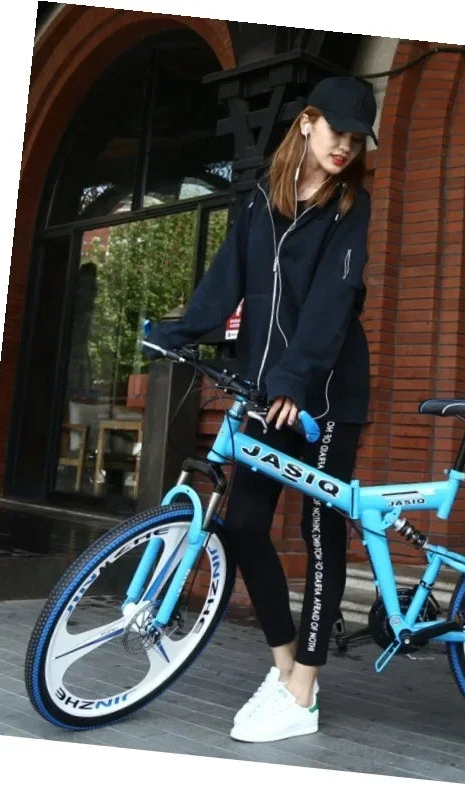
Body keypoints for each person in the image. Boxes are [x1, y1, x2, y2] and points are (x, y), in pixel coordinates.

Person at [143, 76, 376, 743]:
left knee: (319, 529)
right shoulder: (258, 199)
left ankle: (305, 687)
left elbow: (333, 303)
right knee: (244, 523)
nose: (345, 146)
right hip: (261, 392)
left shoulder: (350, 206)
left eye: (356, 138)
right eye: (336, 131)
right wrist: (182, 332)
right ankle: (286, 670)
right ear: (307, 123)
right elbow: (227, 280)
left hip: (324, 395)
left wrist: (295, 381)